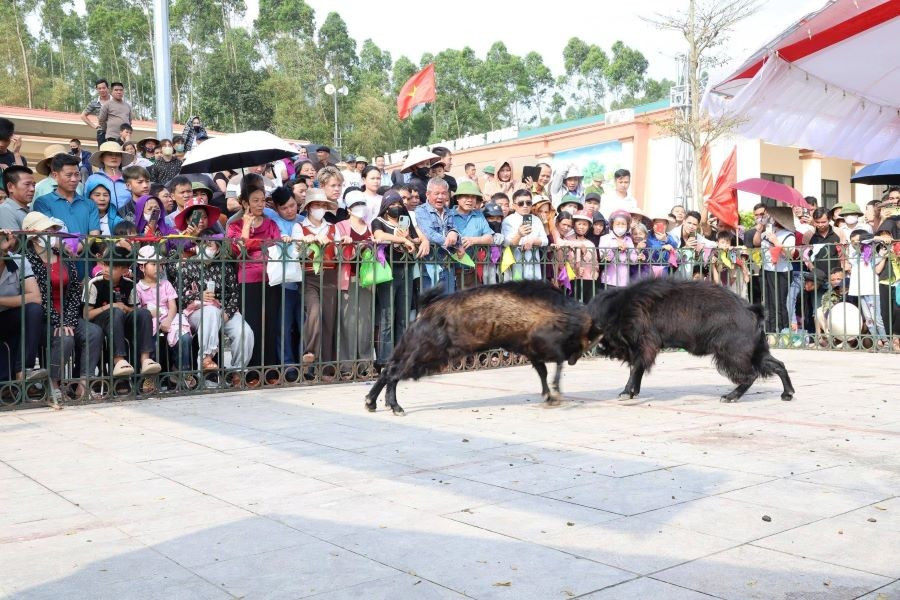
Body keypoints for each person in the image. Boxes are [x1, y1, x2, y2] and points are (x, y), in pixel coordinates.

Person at [21, 212, 102, 403]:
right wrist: (58, 321)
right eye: (46, 230)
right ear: (33, 236)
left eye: (52, 230)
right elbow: (39, 297)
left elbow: (74, 291)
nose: (51, 234)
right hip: (42, 318)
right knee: (64, 338)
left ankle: (82, 384)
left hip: (68, 315)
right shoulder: (27, 260)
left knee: (93, 332)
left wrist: (69, 320)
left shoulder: (63, 256)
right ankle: (54, 385)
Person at [166, 231, 254, 383]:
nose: (203, 248)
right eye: (200, 244)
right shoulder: (187, 267)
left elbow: (234, 294)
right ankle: (206, 357)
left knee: (244, 332)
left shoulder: (224, 268)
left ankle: (237, 372)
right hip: (196, 312)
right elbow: (178, 296)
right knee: (211, 311)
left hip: (224, 311)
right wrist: (198, 296)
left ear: (218, 249)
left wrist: (227, 313)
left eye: (208, 245)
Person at [226, 173, 282, 381]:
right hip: (247, 279)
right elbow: (237, 251)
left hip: (270, 278)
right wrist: (247, 227)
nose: (260, 204)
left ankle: (270, 370)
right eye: (255, 201)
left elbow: (276, 246)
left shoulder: (270, 224)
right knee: (252, 325)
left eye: (263, 200)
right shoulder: (234, 225)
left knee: (271, 324)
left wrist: (253, 245)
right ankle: (251, 371)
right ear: (244, 203)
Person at [84, 246, 160, 378]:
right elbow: (86, 315)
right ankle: (119, 360)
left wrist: (125, 308)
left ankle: (145, 360)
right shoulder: (94, 284)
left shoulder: (130, 285)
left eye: (112, 267)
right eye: (105, 264)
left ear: (125, 270)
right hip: (100, 323)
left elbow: (134, 310)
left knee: (144, 313)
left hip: (122, 322)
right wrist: (109, 307)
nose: (106, 269)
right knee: (115, 312)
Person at [371, 189, 427, 366]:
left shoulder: (405, 221)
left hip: (407, 269)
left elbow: (417, 238)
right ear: (385, 206)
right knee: (388, 315)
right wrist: (402, 240)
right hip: (389, 271)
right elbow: (379, 237)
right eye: (392, 205)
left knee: (403, 315)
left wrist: (411, 238)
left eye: (398, 204)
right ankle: (385, 359)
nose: (396, 207)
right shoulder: (378, 221)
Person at [292, 188, 340, 367]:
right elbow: (296, 253)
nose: (320, 208)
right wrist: (308, 240)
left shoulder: (332, 228)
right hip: (308, 274)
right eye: (317, 205)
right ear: (309, 207)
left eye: (323, 205)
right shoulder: (300, 227)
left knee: (329, 319)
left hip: (329, 274)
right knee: (314, 312)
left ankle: (327, 367)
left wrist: (339, 242)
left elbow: (338, 253)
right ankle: (310, 353)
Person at [134, 246, 194, 387]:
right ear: (142, 267)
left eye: (160, 264)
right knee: (152, 342)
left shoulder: (165, 284)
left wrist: (168, 320)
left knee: (184, 336)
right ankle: (151, 376)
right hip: (150, 321)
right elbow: (138, 310)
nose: (158, 267)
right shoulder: (137, 288)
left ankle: (181, 370)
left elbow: (173, 306)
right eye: (153, 264)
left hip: (169, 317)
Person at [0, 228, 47, 384]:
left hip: (7, 316)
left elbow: (35, 297)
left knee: (34, 310)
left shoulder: (19, 260)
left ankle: (23, 371)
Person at [334, 194, 374, 375]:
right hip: (347, 277)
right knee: (347, 322)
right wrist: (351, 245)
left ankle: (366, 365)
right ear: (348, 209)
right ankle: (346, 367)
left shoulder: (370, 226)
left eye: (362, 204)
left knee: (365, 322)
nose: (360, 207)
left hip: (367, 278)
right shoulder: (340, 226)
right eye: (356, 205)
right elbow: (337, 253)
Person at [32, 154, 101, 238]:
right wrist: (73, 247)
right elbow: (49, 234)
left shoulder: (90, 204)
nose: (74, 179)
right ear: (55, 176)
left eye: (77, 174)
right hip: (56, 250)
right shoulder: (42, 202)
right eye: (69, 175)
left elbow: (94, 234)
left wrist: (79, 247)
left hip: (86, 250)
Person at [753, 205, 796, 332]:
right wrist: (759, 230)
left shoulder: (789, 235)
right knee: (768, 302)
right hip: (767, 270)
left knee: (780, 302)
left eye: (771, 216)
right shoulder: (769, 231)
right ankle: (770, 331)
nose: (768, 218)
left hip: (782, 272)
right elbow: (756, 242)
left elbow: (790, 254)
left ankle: (783, 330)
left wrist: (776, 241)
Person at [415, 177, 460, 292]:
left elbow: (455, 229)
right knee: (432, 305)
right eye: (437, 193)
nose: (440, 197)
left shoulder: (449, 212)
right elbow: (429, 234)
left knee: (448, 304)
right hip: (430, 265)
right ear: (428, 194)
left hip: (448, 265)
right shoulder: (421, 210)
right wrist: (453, 243)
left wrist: (455, 234)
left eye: (444, 193)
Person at [450, 181, 493, 289]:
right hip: (451, 272)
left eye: (473, 197)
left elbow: (489, 238)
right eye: (465, 196)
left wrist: (473, 240)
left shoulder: (478, 215)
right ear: (458, 198)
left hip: (472, 273)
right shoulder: (448, 214)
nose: (470, 200)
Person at [847, 230, 887, 341]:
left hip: (872, 290)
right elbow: (857, 244)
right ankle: (877, 340)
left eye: (859, 241)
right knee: (868, 318)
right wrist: (877, 237)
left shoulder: (871, 254)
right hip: (860, 290)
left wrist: (878, 240)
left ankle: (885, 340)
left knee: (877, 318)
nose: (856, 243)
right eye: (853, 241)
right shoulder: (853, 253)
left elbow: (877, 265)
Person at [502, 189, 548, 281]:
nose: (525, 206)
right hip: (516, 265)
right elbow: (507, 244)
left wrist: (533, 241)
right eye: (521, 203)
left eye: (528, 203)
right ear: (514, 205)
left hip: (534, 266)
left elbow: (545, 240)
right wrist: (519, 235)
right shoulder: (508, 220)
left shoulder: (536, 220)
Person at [87, 141, 135, 220]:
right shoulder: (93, 179)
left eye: (117, 155)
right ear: (102, 158)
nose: (114, 157)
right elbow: (87, 203)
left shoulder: (129, 178)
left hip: (128, 223)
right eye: (109, 154)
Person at [598, 210, 635, 288]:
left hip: (624, 281)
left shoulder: (629, 240)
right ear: (612, 225)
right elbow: (603, 257)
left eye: (623, 224)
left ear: (627, 226)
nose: (620, 226)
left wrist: (627, 250)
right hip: (608, 280)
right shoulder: (605, 238)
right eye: (617, 224)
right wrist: (615, 249)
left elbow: (634, 260)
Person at [0, 165, 35, 231]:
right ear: (10, 187)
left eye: (34, 185)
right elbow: (15, 240)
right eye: (27, 184)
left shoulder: (30, 210)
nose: (32, 189)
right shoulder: (5, 210)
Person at [80, 79, 112, 146]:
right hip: (101, 132)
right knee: (103, 153)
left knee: (116, 152)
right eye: (99, 88)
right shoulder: (94, 103)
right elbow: (83, 116)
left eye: (103, 88)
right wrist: (94, 126)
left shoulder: (115, 100)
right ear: (97, 90)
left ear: (108, 88)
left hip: (115, 132)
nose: (102, 90)